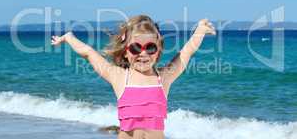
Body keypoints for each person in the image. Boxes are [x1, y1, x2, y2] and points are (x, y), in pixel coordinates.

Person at [51, 15, 215, 139]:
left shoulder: (163, 78)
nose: (143, 53)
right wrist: (69, 38)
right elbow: (89, 53)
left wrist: (200, 30)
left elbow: (186, 52)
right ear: (126, 51)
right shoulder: (119, 77)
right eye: (136, 48)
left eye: (150, 48)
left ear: (158, 51)